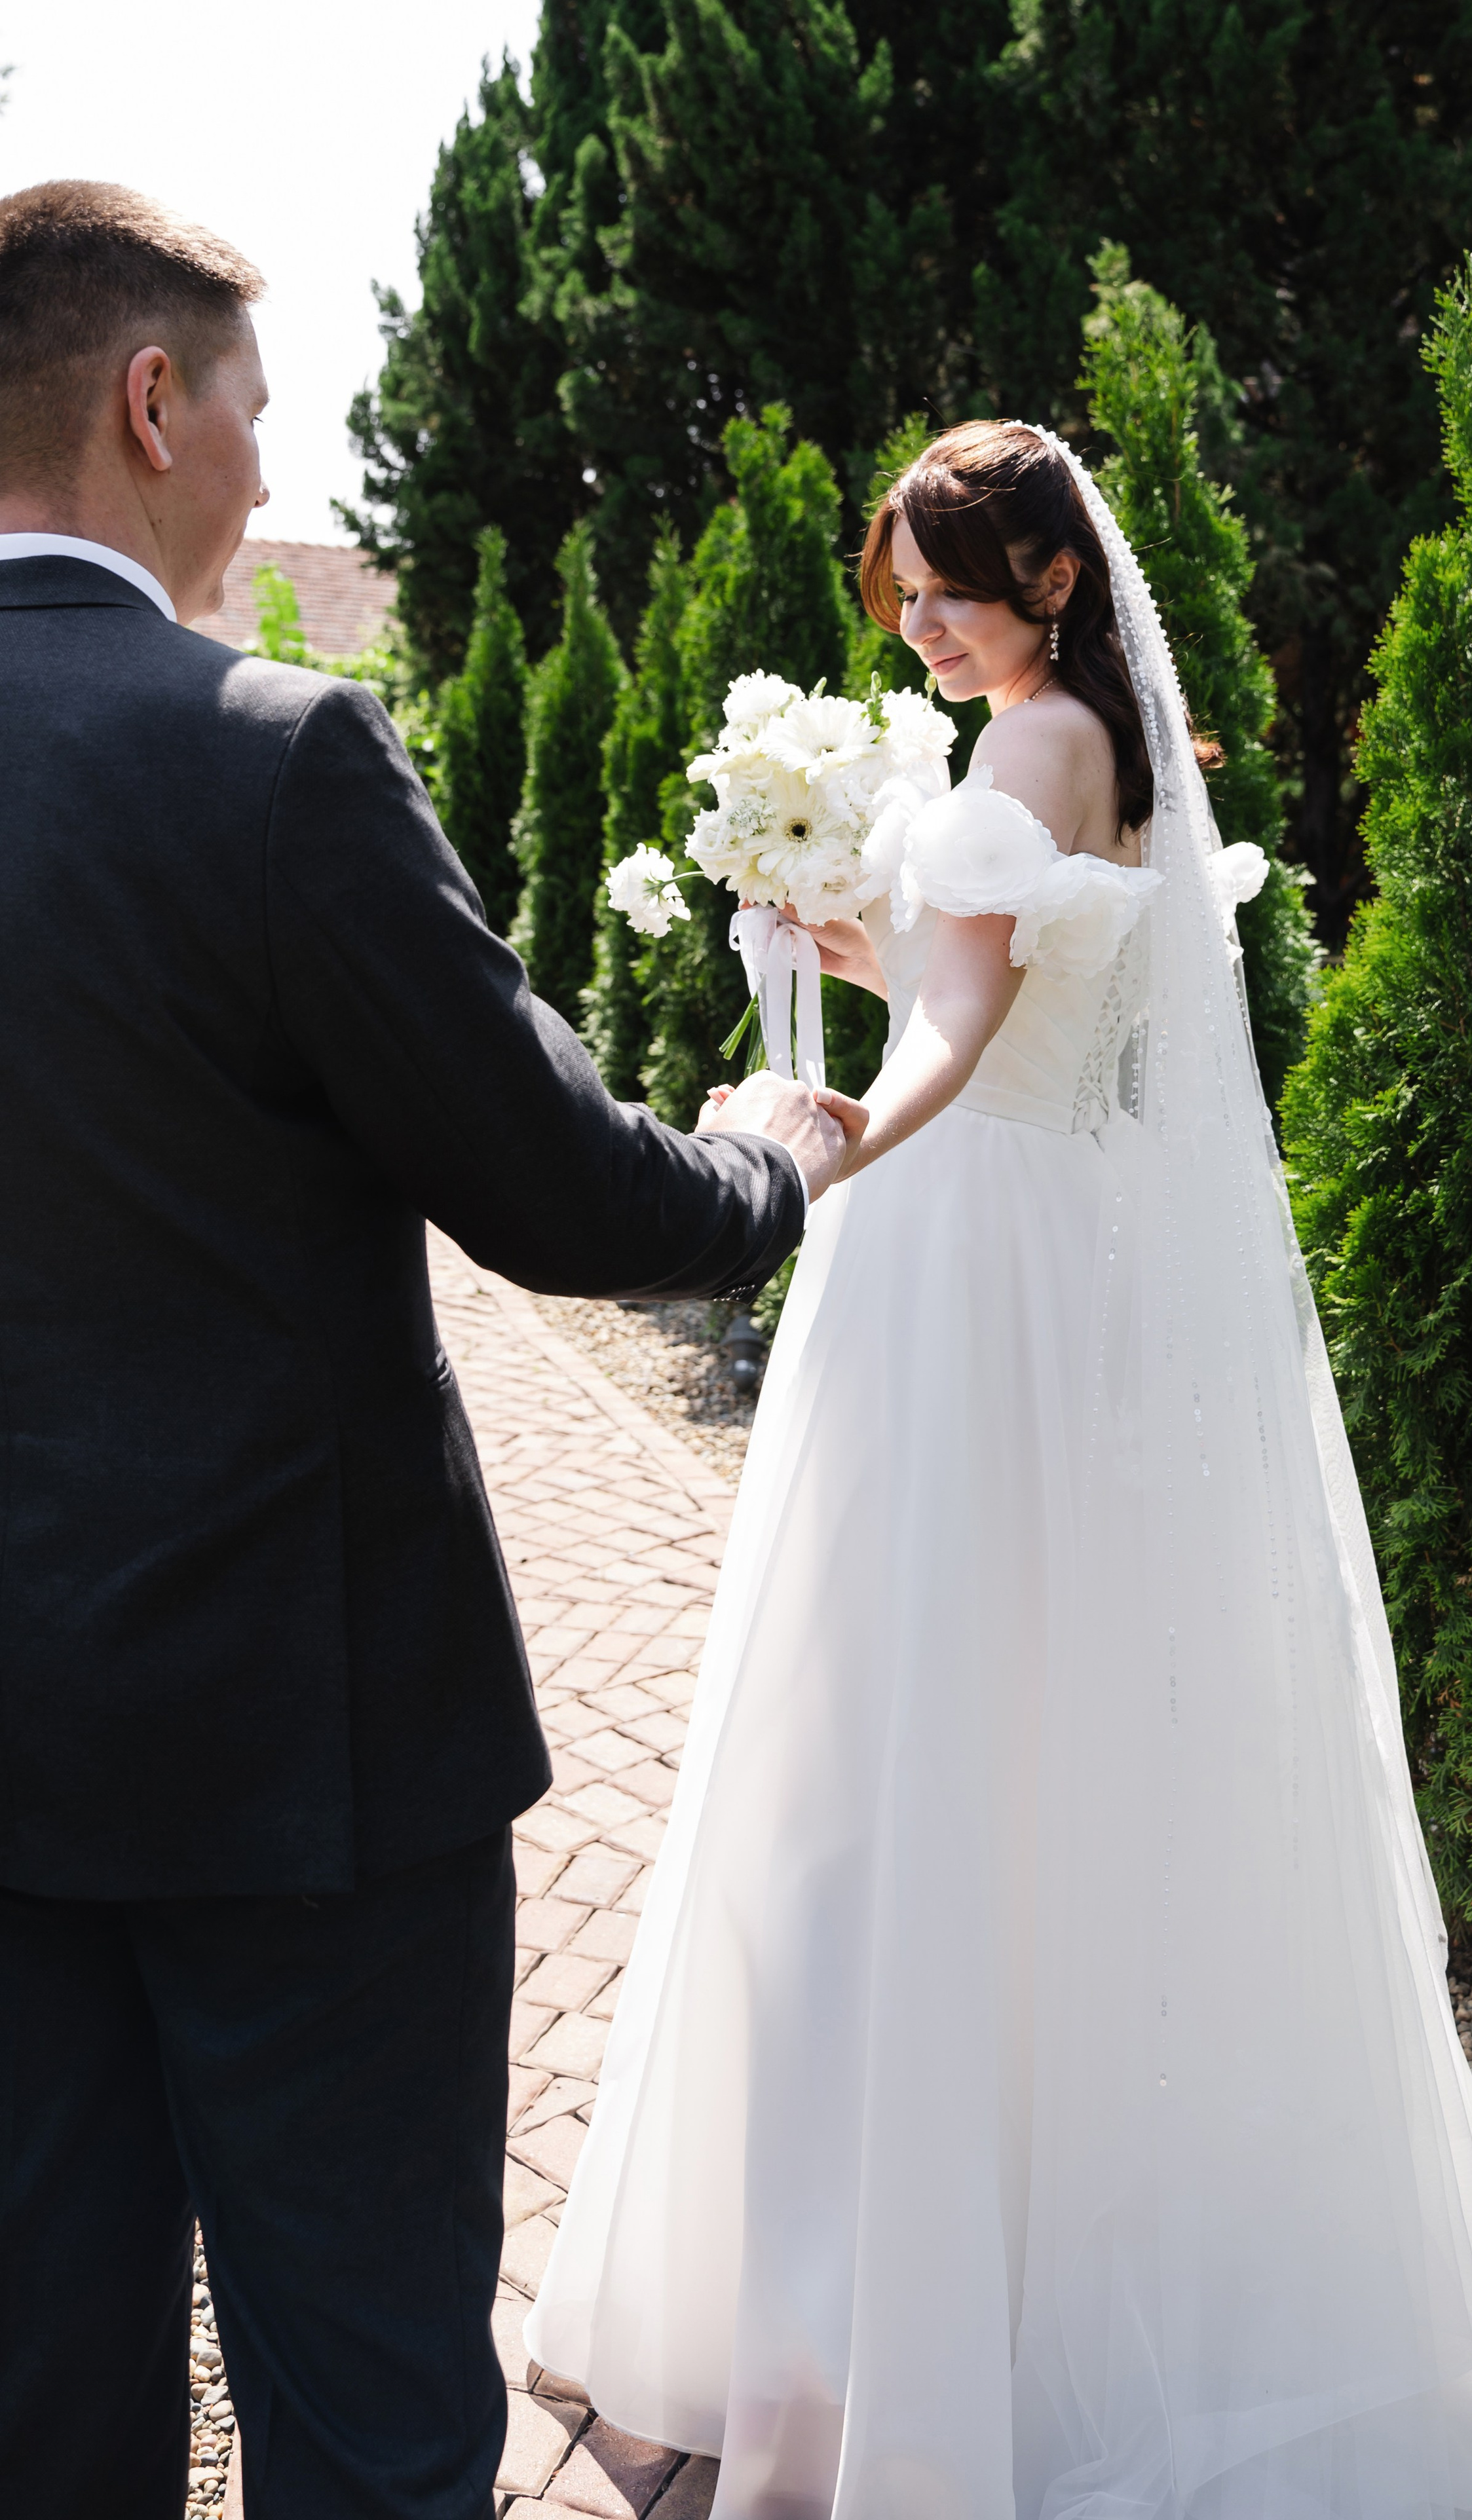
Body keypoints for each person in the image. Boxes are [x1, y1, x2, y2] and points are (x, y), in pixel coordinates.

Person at [526, 422, 1472, 2517]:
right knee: (990, 1748)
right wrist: (839, 935)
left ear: (1056, 584)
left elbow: (954, 1048)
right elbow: (983, 992)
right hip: (1025, 1271)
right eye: (900, 595)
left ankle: (885, 2336)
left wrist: (821, 1143)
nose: (918, 627)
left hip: (954, 1279)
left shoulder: (1020, 766)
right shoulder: (1080, 745)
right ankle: (960, 2276)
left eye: (950, 591)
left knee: (892, 1757)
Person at [0, 179, 849, 2520]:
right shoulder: (271, 754)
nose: (271, 478)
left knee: (35, 2401)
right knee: (368, 2409)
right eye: (255, 418)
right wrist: (771, 1157)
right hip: (303, 1744)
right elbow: (568, 1197)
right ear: (149, 403)